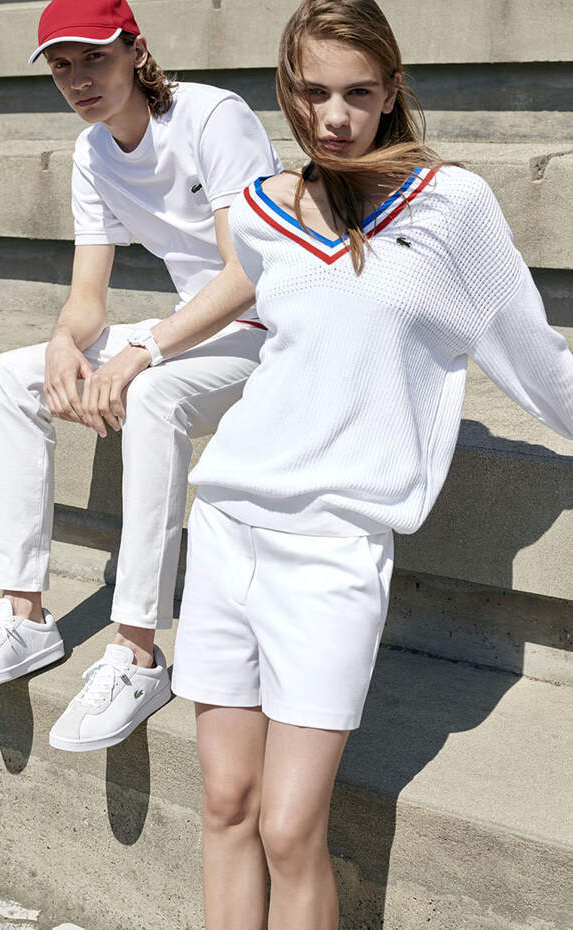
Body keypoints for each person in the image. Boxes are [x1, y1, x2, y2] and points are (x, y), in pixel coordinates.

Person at [164, 1, 573, 927]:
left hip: (335, 549)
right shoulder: (265, 209)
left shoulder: (453, 206)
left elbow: (537, 360)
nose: (335, 116)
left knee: (288, 828)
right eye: (314, 93)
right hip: (226, 525)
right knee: (225, 804)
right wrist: (143, 349)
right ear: (289, 90)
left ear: (392, 92)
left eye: (357, 93)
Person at [0, 0, 281, 754]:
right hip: (196, 331)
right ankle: (25, 614)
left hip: (273, 333)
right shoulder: (92, 151)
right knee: (13, 374)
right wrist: (64, 341)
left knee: (153, 392)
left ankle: (138, 651)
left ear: (136, 50)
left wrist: (143, 352)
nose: (78, 80)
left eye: (94, 58)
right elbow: (88, 301)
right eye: (62, 66)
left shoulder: (213, 118)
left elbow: (248, 276)